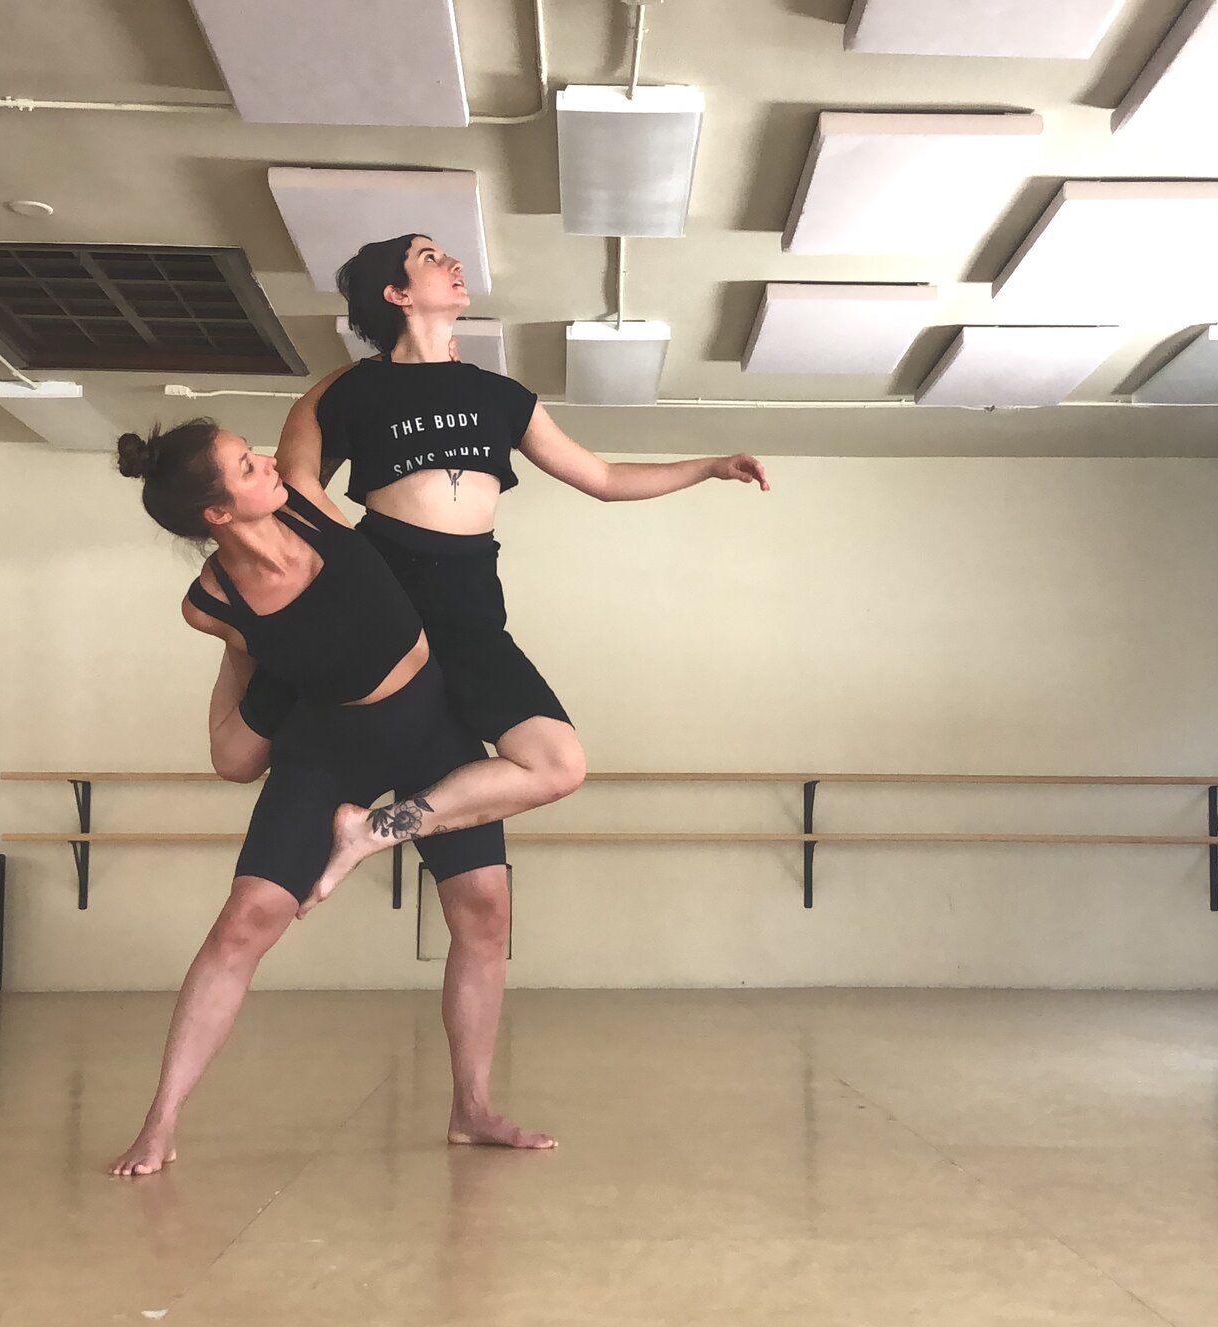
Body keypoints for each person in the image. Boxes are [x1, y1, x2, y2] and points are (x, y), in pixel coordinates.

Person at [106, 417, 556, 1176]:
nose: (263, 461)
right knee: (244, 922)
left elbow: (324, 406)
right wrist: (244, 736)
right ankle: (160, 1122)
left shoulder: (305, 498)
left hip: (433, 724)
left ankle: (471, 1107)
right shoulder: (211, 603)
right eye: (244, 467)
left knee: (485, 910)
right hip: (330, 745)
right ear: (217, 514)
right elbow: (246, 662)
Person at [270, 231, 769, 906]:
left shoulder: (502, 395)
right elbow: (295, 488)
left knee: (559, 765)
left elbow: (603, 476)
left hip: (472, 605)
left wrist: (707, 467)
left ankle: (373, 832)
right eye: (428, 258)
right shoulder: (348, 390)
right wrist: (352, 564)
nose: (452, 263)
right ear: (396, 294)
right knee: (329, 728)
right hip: (387, 595)